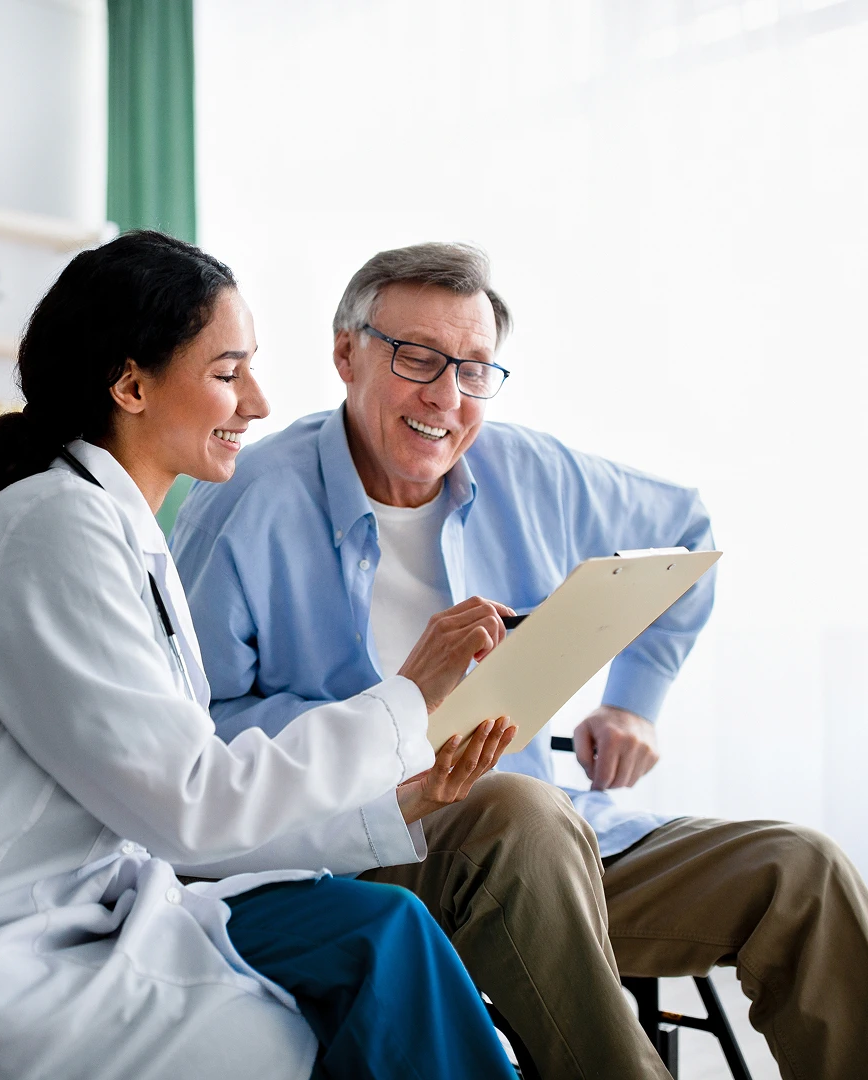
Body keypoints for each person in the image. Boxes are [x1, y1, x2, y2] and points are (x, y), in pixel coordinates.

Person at [0, 232, 523, 1080]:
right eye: (227, 372)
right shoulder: (52, 528)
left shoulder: (121, 535)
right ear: (131, 384)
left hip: (72, 919)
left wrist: (399, 803)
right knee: (318, 1021)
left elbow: (173, 816)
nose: (257, 401)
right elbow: (190, 808)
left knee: (382, 938)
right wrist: (405, 699)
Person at [171, 241, 868, 1080]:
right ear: (346, 353)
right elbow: (195, 736)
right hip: (365, 847)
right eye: (417, 358)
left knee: (803, 871)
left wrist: (634, 701)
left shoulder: (532, 471)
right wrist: (396, 715)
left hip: (558, 846)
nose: (445, 397)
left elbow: (687, 532)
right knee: (517, 810)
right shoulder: (245, 502)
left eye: (473, 370)